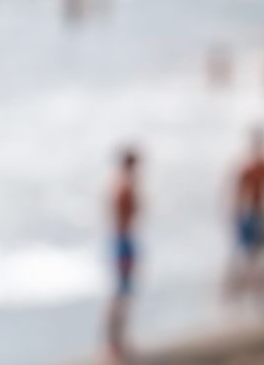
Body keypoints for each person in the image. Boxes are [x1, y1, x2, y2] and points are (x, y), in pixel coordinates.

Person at [225, 128, 264, 305]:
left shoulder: (259, 166)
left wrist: (236, 215)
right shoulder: (256, 167)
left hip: (256, 212)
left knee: (256, 254)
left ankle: (253, 291)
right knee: (254, 254)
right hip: (254, 213)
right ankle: (249, 291)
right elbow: (241, 194)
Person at [106, 147, 140, 364]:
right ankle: (114, 344)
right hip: (123, 241)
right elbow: (122, 218)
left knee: (122, 292)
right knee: (121, 293)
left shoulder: (119, 185)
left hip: (122, 240)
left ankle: (117, 341)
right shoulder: (124, 187)